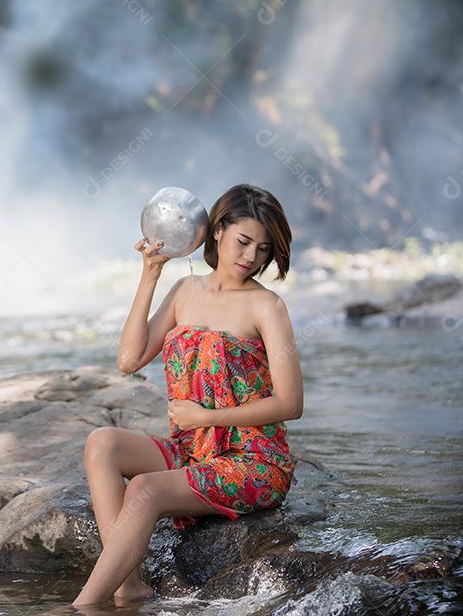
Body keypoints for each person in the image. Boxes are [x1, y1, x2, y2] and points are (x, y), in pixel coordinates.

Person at [72, 183, 304, 608]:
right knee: (102, 443)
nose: (250, 257)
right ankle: (128, 585)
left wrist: (206, 418)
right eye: (243, 241)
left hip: (252, 461)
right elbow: (129, 358)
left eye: (264, 249)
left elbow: (291, 404)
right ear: (217, 232)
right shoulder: (185, 291)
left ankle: (84, 606)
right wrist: (150, 273)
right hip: (192, 449)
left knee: (144, 489)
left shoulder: (267, 307)